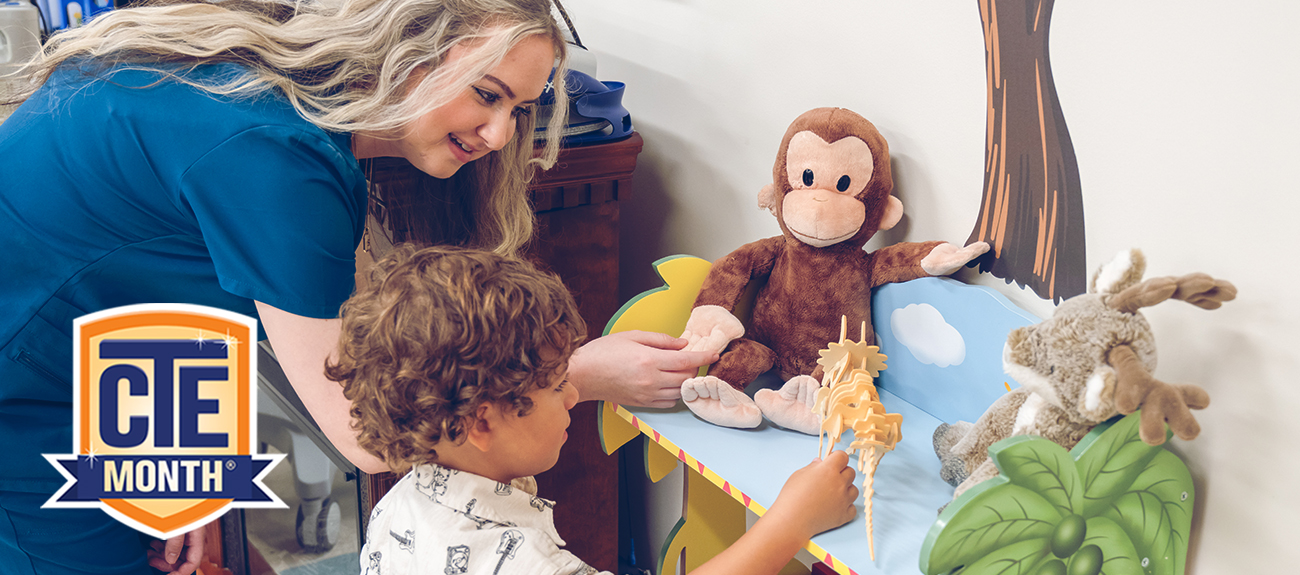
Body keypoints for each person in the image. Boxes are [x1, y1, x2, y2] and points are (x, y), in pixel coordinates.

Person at [0, 0, 714, 573]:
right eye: (487, 95)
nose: (500, 134)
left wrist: (185, 478)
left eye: (520, 110)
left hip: (89, 362)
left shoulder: (281, 88)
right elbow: (371, 434)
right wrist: (577, 374)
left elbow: (166, 286)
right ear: (408, 48)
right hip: (23, 401)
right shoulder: (276, 158)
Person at [333, 245, 860, 575]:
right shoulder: (520, 562)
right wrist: (790, 524)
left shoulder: (398, 507)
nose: (573, 395)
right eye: (557, 383)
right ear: (482, 423)